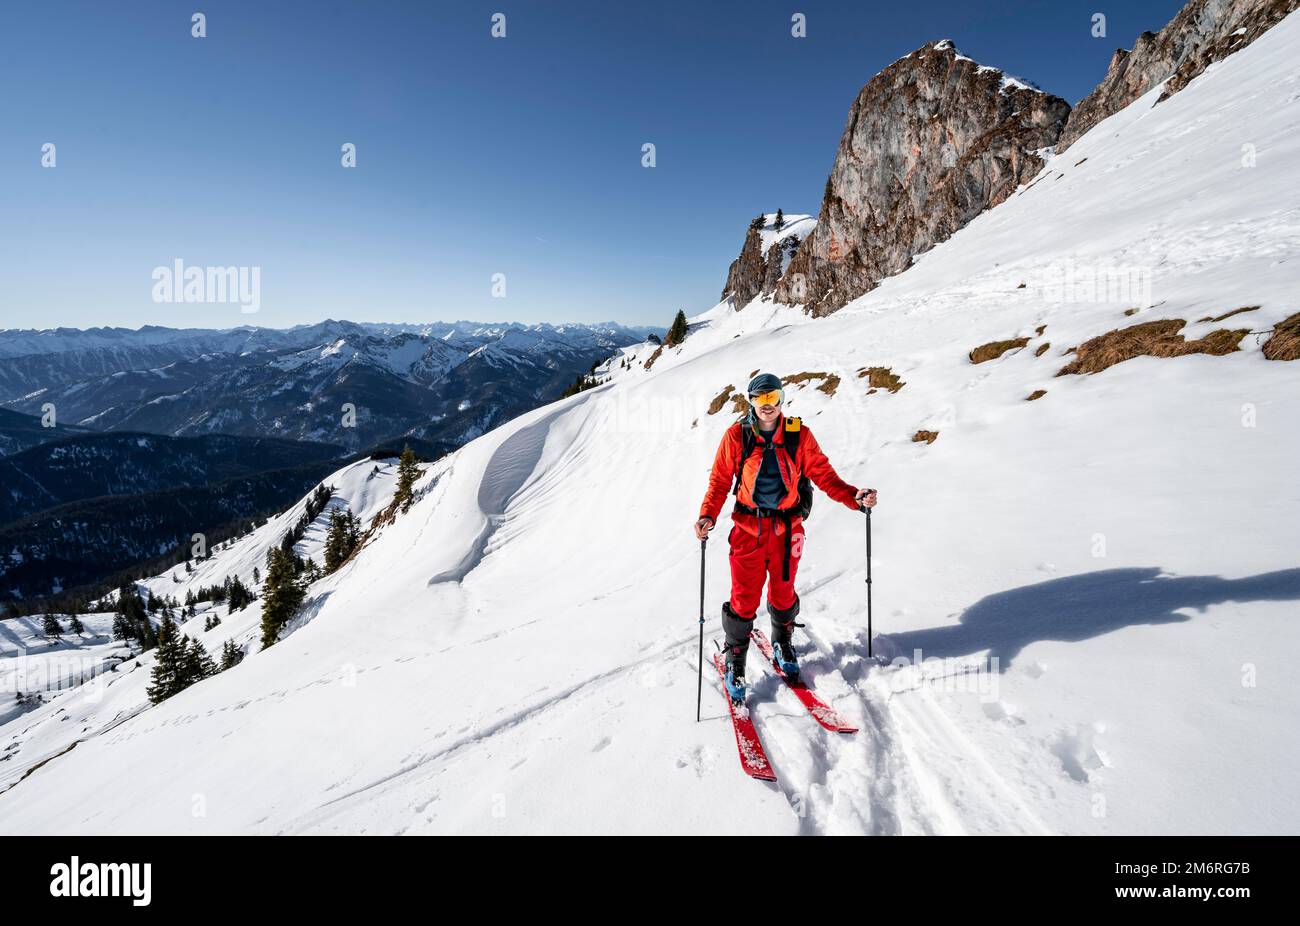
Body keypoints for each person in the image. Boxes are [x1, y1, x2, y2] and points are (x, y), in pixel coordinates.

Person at [693, 372, 877, 702]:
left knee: (784, 591)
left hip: (788, 529)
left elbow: (823, 474)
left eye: (773, 397)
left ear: (782, 399)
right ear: (750, 401)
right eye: (760, 398)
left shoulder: (798, 435)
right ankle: (736, 657)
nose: (767, 405)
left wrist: (854, 497)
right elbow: (720, 482)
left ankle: (783, 638)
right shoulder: (737, 436)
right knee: (744, 598)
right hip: (748, 530)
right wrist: (707, 514)